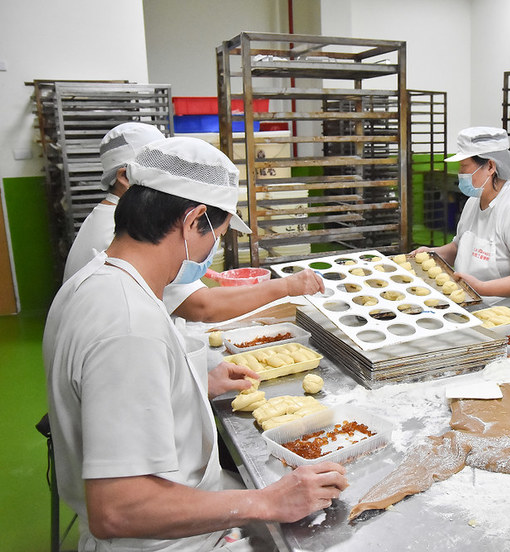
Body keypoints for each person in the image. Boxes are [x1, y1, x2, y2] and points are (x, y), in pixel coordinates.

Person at [44, 137, 348, 551]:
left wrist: (189, 386)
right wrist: (268, 501)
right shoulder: (129, 324)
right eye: (218, 235)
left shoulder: (99, 280)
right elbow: (118, 508)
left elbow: (108, 396)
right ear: (193, 220)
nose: (213, 250)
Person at [62, 123, 324, 322]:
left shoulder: (110, 222)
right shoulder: (124, 238)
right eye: (217, 234)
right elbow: (201, 305)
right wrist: (287, 286)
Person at [412, 127, 510, 320]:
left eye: (464, 167)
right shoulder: (473, 202)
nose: (460, 174)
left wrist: (482, 288)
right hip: (473, 311)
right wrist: (430, 254)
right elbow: (460, 246)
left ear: (490, 166)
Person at [63, 122, 165, 282]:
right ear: (125, 177)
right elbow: (196, 304)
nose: (170, 178)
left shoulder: (110, 215)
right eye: (160, 169)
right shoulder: (122, 230)